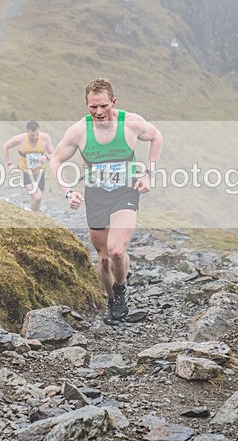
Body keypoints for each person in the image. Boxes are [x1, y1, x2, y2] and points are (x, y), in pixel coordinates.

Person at [49, 78, 163, 325]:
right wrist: (68, 191)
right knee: (103, 258)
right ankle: (111, 299)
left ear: (113, 102)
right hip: (96, 196)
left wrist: (149, 174)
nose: (99, 112)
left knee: (116, 250)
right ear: (86, 105)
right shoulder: (79, 130)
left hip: (125, 191)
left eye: (103, 106)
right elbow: (55, 160)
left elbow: (156, 137)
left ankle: (120, 289)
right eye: (92, 107)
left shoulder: (130, 123)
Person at [2, 121, 55, 212]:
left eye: (36, 135)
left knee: (36, 199)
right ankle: (33, 216)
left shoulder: (45, 138)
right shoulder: (21, 139)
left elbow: (53, 154)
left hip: (39, 172)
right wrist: (9, 164)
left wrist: (46, 157)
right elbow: (6, 146)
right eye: (31, 136)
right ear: (27, 132)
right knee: (38, 197)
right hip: (26, 172)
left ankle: (33, 217)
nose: (34, 137)